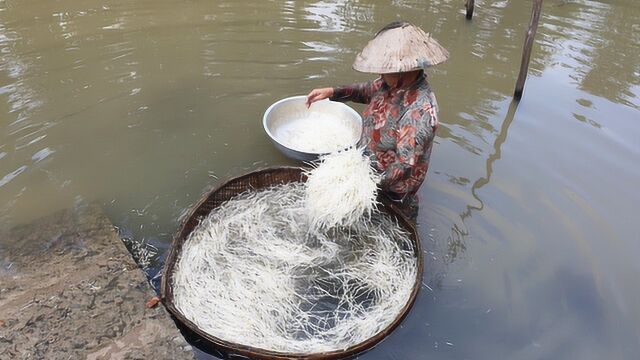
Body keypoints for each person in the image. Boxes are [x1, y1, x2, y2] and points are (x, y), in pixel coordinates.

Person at [305, 21, 449, 221]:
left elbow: (404, 165)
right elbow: (365, 91)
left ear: (405, 69)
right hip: (368, 168)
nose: (380, 74)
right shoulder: (388, 84)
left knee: (388, 225)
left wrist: (362, 184)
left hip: (392, 190)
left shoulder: (419, 112)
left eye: (386, 69)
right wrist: (332, 92)